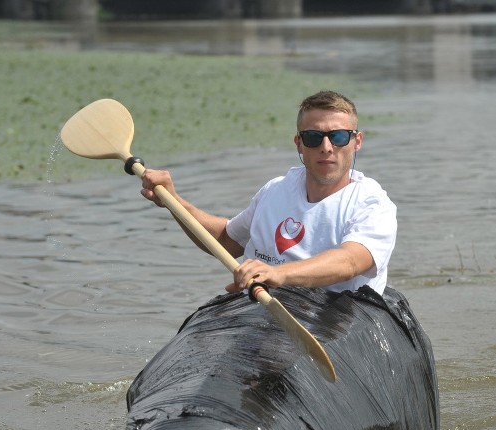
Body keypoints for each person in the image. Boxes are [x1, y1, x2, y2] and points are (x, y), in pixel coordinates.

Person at [140, 90, 397, 295]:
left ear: (357, 142)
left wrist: (280, 274)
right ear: (299, 144)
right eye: (313, 137)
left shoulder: (371, 203)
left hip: (342, 315)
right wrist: (173, 201)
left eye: (339, 136)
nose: (327, 147)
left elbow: (351, 261)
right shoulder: (275, 190)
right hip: (263, 308)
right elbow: (226, 241)